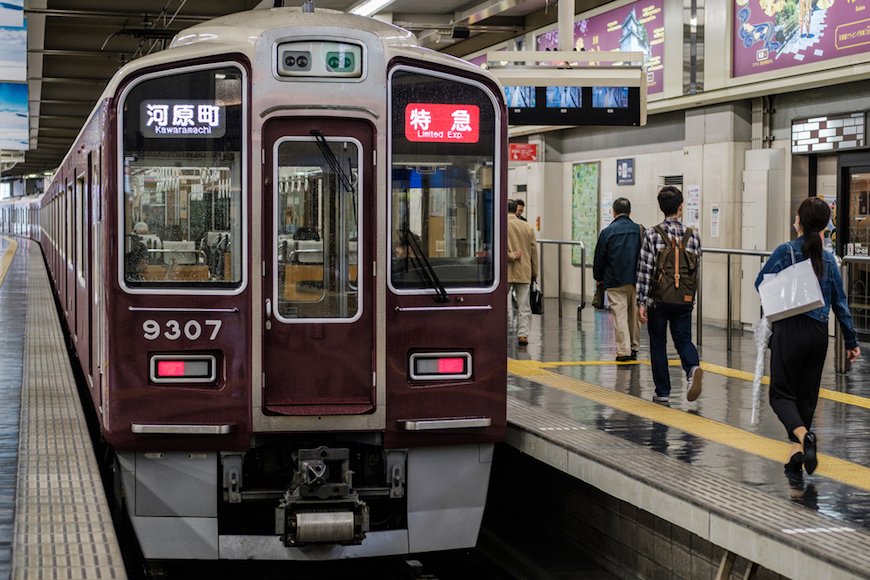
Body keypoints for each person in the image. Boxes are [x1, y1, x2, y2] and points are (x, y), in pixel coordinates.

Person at [755, 197, 860, 476]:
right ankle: (796, 454)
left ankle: (805, 438)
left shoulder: (785, 251)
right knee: (806, 397)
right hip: (818, 333)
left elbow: (760, 283)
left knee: (780, 395)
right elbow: (840, 303)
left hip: (790, 329)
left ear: (799, 221)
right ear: (825, 225)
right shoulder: (828, 258)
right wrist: (851, 341)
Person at [636, 186, 703, 404]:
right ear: (681, 208)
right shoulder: (693, 237)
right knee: (683, 339)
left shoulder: (652, 234)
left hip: (659, 300)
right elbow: (695, 270)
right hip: (683, 299)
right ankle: (692, 367)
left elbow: (645, 269)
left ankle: (663, 392)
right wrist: (690, 298)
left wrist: (641, 302)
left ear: (661, 208)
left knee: (657, 343)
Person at [593, 197, 642, 362]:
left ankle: (624, 351)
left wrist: (598, 278)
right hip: (636, 280)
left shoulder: (607, 232)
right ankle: (634, 347)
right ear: (630, 212)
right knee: (634, 315)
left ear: (613, 212)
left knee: (620, 315)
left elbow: (599, 258)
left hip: (614, 280)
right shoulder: (639, 230)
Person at [507, 198, 538, 346]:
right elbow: (533, 252)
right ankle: (523, 335)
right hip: (524, 271)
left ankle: (498, 331)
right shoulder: (528, 227)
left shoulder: (500, 226)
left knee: (500, 304)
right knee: (524, 306)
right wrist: (535, 272)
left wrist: (511, 256)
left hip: (504, 273)